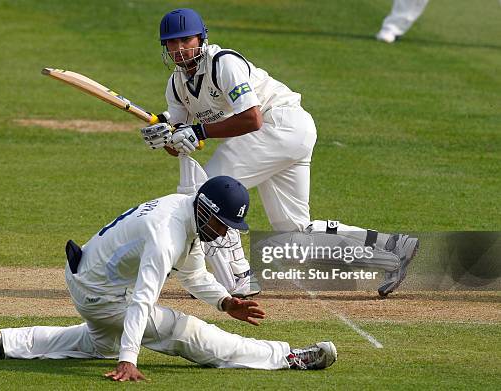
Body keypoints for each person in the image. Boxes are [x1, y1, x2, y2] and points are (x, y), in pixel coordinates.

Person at [140, 8, 419, 297]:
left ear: (202, 38)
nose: (180, 49)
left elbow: (252, 118)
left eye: (187, 40)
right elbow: (182, 141)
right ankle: (393, 248)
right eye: (172, 43)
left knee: (207, 193)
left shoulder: (223, 64)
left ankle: (239, 277)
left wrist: (199, 131)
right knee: (293, 230)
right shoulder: (176, 85)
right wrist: (166, 138)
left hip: (280, 124)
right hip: (283, 136)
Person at [0, 176, 337, 381]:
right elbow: (143, 299)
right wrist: (129, 359)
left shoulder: (186, 213)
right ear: (206, 210)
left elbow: (194, 274)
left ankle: (6, 341)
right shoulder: (166, 234)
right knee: (186, 332)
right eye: (223, 224)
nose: (226, 233)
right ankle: (287, 357)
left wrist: (225, 302)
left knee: (98, 343)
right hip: (102, 293)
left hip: (87, 280)